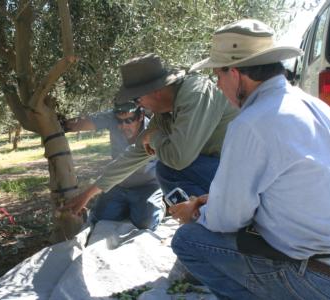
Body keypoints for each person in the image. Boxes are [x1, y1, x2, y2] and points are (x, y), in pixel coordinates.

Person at [170, 19, 330, 299]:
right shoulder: (314, 105)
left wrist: (194, 212)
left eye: (218, 75)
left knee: (188, 240)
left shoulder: (252, 122)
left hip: (313, 278)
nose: (218, 85)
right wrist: (209, 200)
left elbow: (226, 220)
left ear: (234, 73)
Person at [63, 53, 238, 219]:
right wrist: (88, 194)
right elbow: (135, 153)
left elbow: (179, 158)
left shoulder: (195, 94)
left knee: (169, 168)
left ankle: (215, 221)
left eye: (137, 100)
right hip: (217, 170)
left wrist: (154, 138)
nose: (140, 106)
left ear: (155, 91)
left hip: (240, 174)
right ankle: (203, 218)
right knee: (166, 168)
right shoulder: (164, 114)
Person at [64, 101, 164, 230]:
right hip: (117, 186)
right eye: (119, 121)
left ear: (141, 116)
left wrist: (87, 194)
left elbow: (124, 166)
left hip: (147, 187)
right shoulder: (113, 119)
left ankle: (158, 205)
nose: (123, 126)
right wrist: (60, 124)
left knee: (146, 223)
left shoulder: (152, 132)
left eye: (129, 120)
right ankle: (127, 207)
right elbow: (83, 122)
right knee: (100, 220)